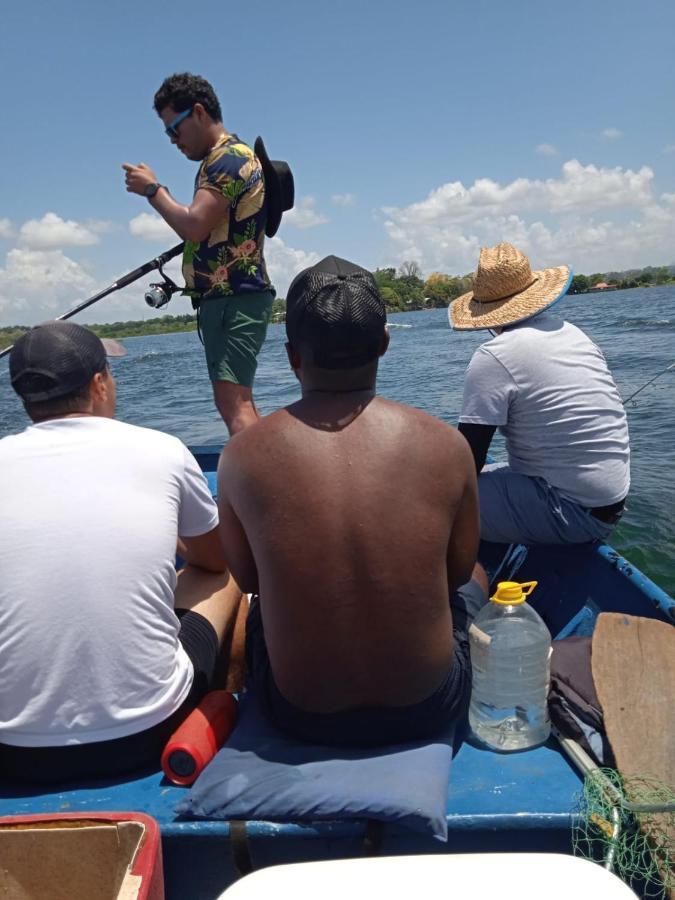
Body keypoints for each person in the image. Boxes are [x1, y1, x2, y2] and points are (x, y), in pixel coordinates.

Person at [217, 256, 487, 747]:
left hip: (299, 713)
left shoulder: (241, 456)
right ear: (383, 344)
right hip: (428, 707)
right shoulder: (447, 444)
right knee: (479, 577)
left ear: (293, 356)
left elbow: (251, 581)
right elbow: (454, 574)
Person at [0, 321, 243, 782]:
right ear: (98, 384)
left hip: (12, 752)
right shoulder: (162, 451)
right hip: (143, 735)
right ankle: (226, 699)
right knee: (224, 576)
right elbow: (213, 560)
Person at [123, 72, 294, 434]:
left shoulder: (227, 160)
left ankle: (256, 489)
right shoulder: (229, 158)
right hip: (229, 298)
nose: (173, 141)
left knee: (236, 405)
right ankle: (258, 483)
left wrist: (153, 190)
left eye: (175, 129)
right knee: (235, 402)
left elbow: (194, 226)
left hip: (235, 298)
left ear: (199, 112)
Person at [449, 241, 630, 546]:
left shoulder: (494, 354)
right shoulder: (571, 332)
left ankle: (465, 588)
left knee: (428, 502)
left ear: (486, 315)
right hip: (609, 506)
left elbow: (469, 462)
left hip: (569, 511)